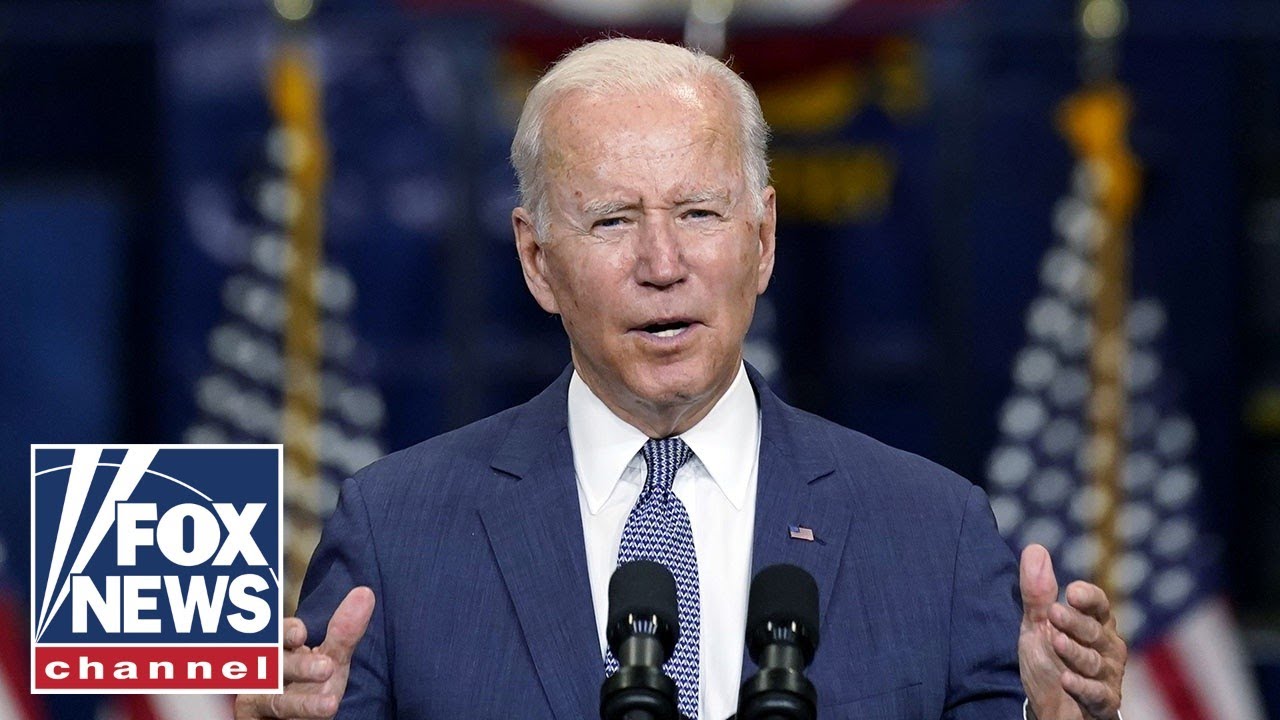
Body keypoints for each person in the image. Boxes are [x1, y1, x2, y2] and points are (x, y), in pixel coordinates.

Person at [235, 38, 1127, 720]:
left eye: (699, 213)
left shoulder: (936, 534)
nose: (663, 263)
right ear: (537, 260)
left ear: (764, 238)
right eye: (614, 220)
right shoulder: (396, 532)